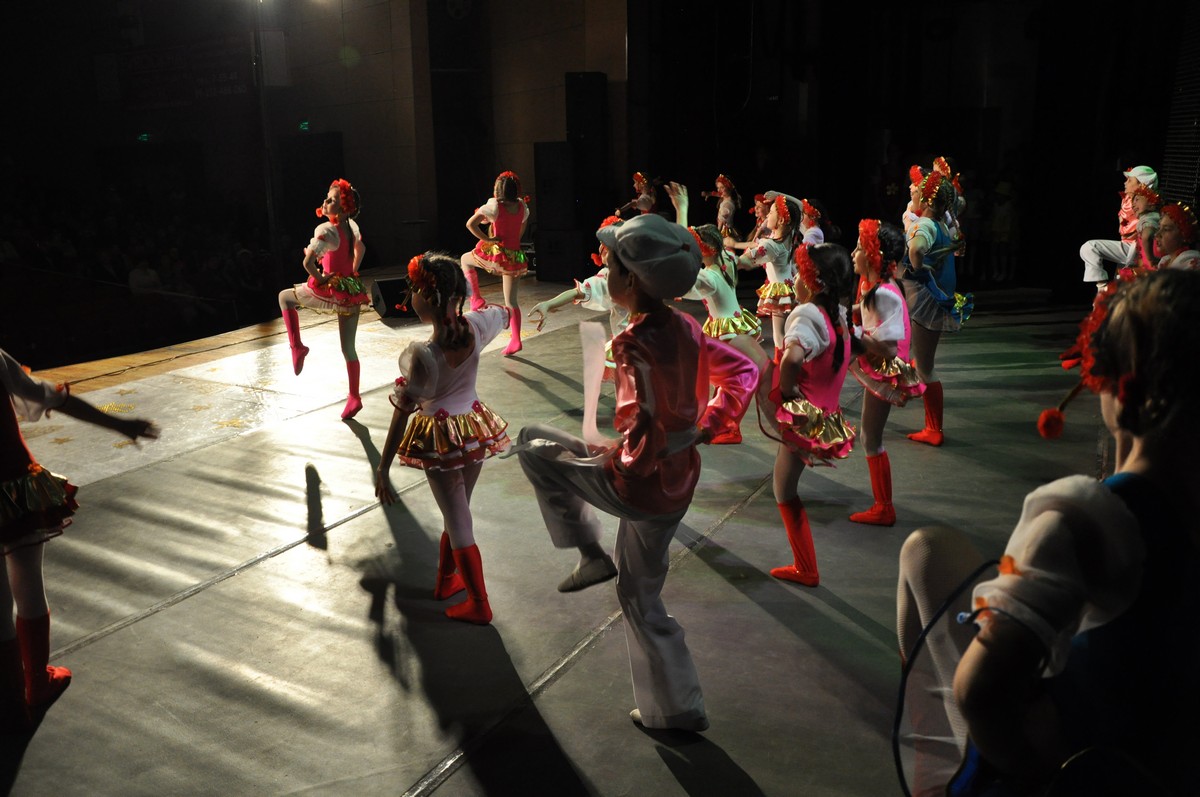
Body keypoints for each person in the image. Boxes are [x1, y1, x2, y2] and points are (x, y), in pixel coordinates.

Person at [899, 269, 1200, 795]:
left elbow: (981, 692)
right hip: (1165, 756)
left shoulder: (1086, 518)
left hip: (1080, 760)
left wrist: (1037, 772)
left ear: (1118, 388)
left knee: (924, 549)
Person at [515, 213, 746, 733]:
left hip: (639, 484)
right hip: (680, 479)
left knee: (532, 443)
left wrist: (623, 461)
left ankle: (589, 553)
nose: (606, 271)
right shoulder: (687, 326)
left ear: (633, 280)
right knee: (639, 595)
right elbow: (743, 371)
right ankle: (678, 708)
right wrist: (708, 426)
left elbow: (642, 418)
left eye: (613, 266)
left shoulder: (632, 342)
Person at [0, 349, 158, 732]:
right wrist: (120, 424)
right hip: (13, 490)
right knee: (28, 588)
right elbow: (53, 397)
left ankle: (9, 705)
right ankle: (37, 684)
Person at [375, 254, 512, 625]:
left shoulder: (425, 355)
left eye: (413, 291)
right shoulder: (477, 327)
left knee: (458, 519)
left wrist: (382, 467)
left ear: (428, 298)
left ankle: (479, 604)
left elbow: (402, 412)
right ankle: (447, 580)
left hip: (441, 439)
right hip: (473, 431)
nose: (410, 298)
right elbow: (505, 314)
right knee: (459, 512)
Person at [768, 243, 856, 586]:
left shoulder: (807, 315)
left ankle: (806, 567)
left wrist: (787, 390)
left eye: (799, 274)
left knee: (783, 490)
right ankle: (804, 566)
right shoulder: (837, 314)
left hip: (806, 417)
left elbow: (792, 359)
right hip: (826, 415)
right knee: (784, 488)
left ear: (814, 281)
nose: (794, 280)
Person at [847, 220, 923, 526]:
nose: (852, 254)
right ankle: (882, 505)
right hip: (881, 363)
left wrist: (852, 336)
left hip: (885, 367)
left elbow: (889, 347)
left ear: (873, 256)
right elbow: (868, 313)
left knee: (871, 437)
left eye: (858, 249)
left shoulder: (883, 293)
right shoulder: (876, 287)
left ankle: (884, 507)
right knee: (869, 436)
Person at [279, 178, 370, 420]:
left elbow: (307, 263)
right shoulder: (351, 227)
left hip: (330, 286)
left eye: (331, 200)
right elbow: (360, 249)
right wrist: (352, 270)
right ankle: (354, 396)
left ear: (343, 208)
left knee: (284, 298)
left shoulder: (326, 230)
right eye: (327, 198)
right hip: (350, 289)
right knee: (348, 348)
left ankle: (297, 346)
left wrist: (321, 278)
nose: (325, 201)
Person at [900, 170, 965, 447]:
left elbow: (916, 249)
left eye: (916, 192)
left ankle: (934, 428)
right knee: (921, 360)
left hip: (928, 301)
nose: (912, 194)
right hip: (935, 298)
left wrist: (918, 269)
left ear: (926, 199)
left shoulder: (926, 225)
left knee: (926, 367)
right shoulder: (940, 224)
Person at [460, 171, 530, 357]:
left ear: (498, 190)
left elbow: (470, 224)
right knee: (511, 301)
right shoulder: (521, 206)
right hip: (514, 256)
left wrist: (488, 239)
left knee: (465, 260)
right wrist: (515, 239)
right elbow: (523, 224)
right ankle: (516, 339)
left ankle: (476, 298)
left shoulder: (494, 206)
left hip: (498, 253)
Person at [731, 194, 802, 363]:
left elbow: (743, 261)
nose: (767, 215)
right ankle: (787, 361)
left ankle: (781, 364)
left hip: (780, 290)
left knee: (779, 334)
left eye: (771, 212)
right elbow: (799, 207)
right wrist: (779, 196)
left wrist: (730, 250)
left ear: (782, 220)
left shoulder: (770, 245)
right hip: (791, 286)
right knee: (786, 331)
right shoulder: (789, 235)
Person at [1078, 165, 1158, 295]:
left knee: (1090, 247)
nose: (1125, 183)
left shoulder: (1148, 208)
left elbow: (1148, 233)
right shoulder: (1128, 201)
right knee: (1121, 290)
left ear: (1141, 184)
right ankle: (1105, 293)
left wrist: (1149, 259)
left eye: (1130, 180)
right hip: (1127, 247)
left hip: (1136, 250)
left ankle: (1102, 288)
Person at [1154, 201, 1200, 270]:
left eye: (1166, 229)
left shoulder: (1190, 264)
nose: (1157, 234)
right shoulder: (1165, 261)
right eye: (1159, 228)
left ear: (1184, 235)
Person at [706, 174, 742, 242]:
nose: (719, 190)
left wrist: (717, 234)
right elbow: (717, 194)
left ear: (728, 188)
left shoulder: (727, 204)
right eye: (718, 188)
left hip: (725, 232)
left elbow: (721, 221)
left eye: (722, 187)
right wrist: (709, 194)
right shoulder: (725, 198)